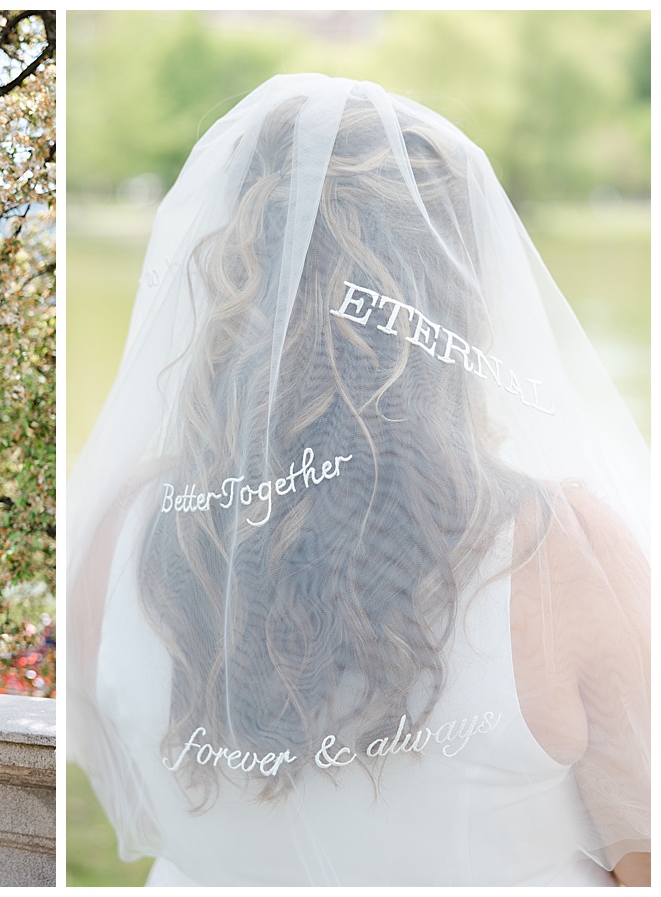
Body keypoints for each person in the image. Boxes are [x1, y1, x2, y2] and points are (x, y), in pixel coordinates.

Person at [68, 75, 649, 886]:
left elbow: (134, 786)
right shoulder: (562, 553)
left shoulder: (115, 535)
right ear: (453, 296)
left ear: (232, 284)